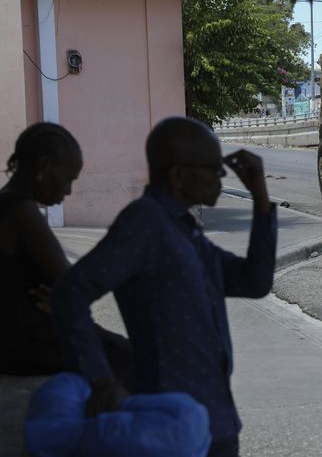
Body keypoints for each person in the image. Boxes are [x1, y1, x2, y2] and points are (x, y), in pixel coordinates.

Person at [52, 117, 277, 457]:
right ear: (178, 175)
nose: (220, 177)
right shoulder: (145, 222)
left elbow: (253, 281)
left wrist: (260, 198)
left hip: (214, 419)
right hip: (169, 426)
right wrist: (101, 380)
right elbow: (71, 291)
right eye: (213, 169)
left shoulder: (185, 230)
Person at [0, 122, 131, 377]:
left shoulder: (8, 204)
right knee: (132, 356)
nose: (69, 190)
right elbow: (72, 286)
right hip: (30, 345)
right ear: (44, 166)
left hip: (15, 339)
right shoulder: (21, 210)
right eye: (69, 177)